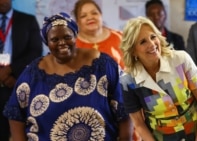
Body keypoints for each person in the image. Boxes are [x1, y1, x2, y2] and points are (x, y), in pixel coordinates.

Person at [3, 12, 132, 141]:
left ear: (75, 36)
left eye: (67, 37)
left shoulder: (103, 65)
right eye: (55, 39)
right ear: (47, 42)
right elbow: (16, 115)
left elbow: (126, 106)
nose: (62, 43)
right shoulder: (32, 75)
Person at [119, 16, 197, 141]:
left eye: (153, 37)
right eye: (143, 42)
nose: (152, 44)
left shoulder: (181, 59)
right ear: (133, 51)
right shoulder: (127, 81)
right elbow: (138, 123)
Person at [0, 0, 43, 140]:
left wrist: (11, 70)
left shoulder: (27, 20)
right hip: (6, 81)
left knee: (19, 133)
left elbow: (35, 52)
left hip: (17, 84)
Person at [73, 0, 125, 69]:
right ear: (77, 22)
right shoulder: (71, 45)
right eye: (83, 16)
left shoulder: (121, 37)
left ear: (101, 15)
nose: (90, 18)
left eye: (94, 13)